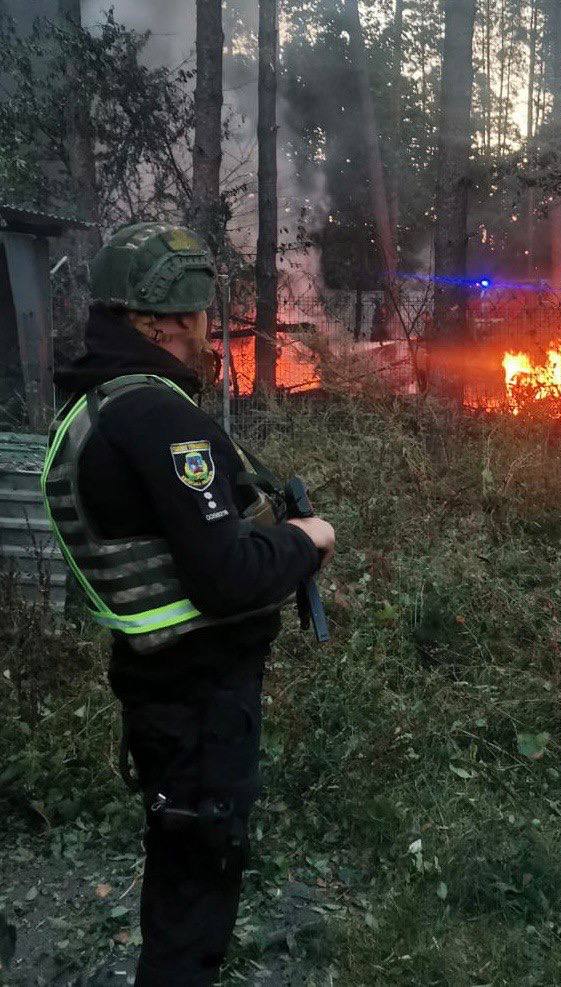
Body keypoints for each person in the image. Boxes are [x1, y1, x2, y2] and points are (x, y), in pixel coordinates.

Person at [42, 223, 335, 986]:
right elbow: (227, 574)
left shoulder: (97, 406)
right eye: (202, 315)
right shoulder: (157, 417)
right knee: (194, 907)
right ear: (164, 322)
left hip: (165, 696)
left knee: (180, 880)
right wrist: (306, 541)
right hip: (200, 703)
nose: (210, 332)